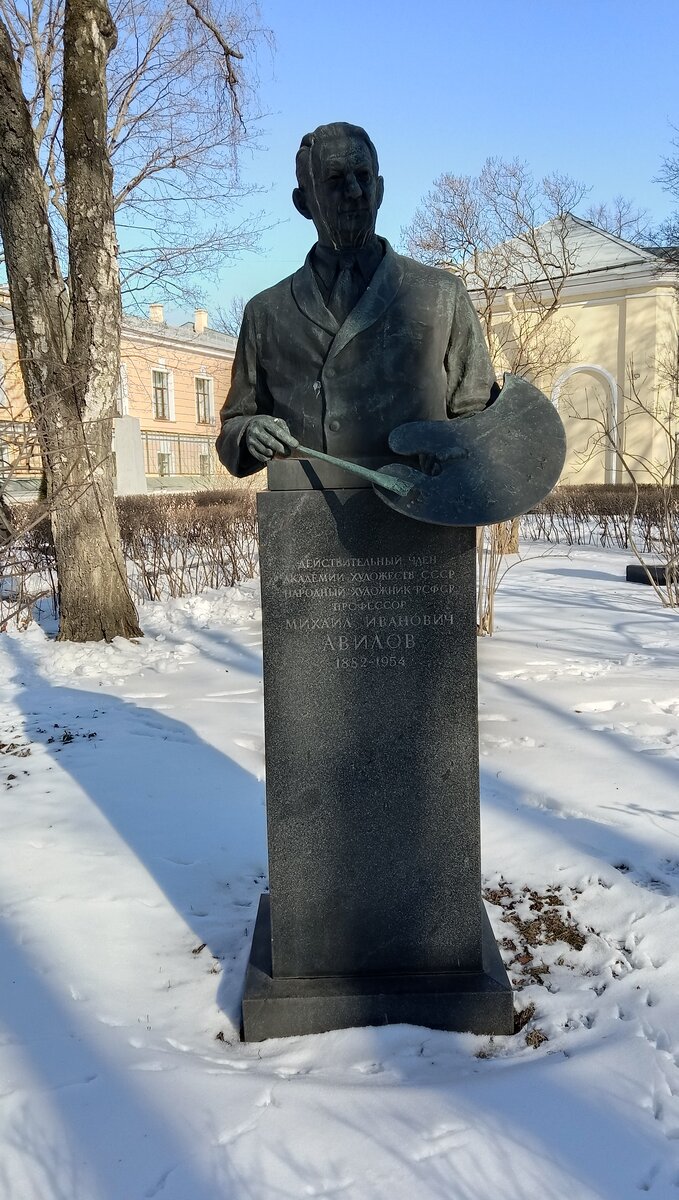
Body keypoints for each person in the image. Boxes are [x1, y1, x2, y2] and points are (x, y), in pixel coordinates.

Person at [216, 122, 496, 477]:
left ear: (379, 190)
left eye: (363, 176)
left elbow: (478, 413)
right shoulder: (266, 312)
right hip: (308, 505)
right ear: (303, 202)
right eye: (334, 180)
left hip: (419, 508)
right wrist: (248, 433)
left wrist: (454, 446)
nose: (353, 191)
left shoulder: (441, 294)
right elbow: (234, 422)